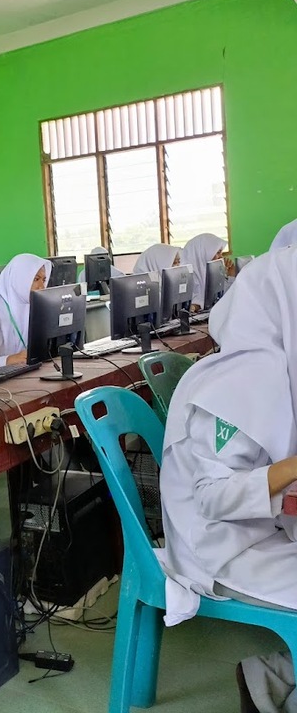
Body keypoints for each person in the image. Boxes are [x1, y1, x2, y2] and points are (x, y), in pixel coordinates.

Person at [159, 246, 297, 713]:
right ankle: (272, 680)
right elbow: (212, 497)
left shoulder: (277, 366)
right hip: (219, 550)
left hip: (259, 532)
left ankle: (269, 677)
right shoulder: (239, 382)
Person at [0, 253, 51, 370]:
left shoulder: (35, 307)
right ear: (19, 279)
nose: (42, 286)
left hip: (29, 372)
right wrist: (9, 360)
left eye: (44, 280)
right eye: (36, 279)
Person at [179, 232, 227, 311]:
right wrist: (195, 306)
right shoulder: (185, 277)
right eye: (218, 252)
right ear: (203, 253)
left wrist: (229, 276)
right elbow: (188, 307)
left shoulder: (211, 273)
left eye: (221, 253)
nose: (221, 257)